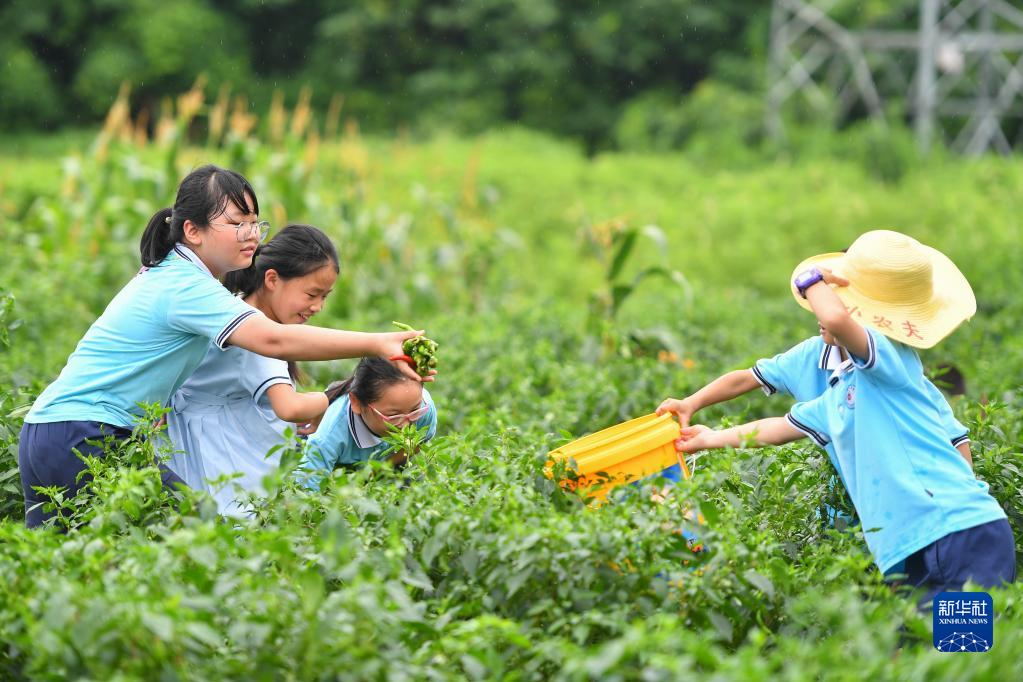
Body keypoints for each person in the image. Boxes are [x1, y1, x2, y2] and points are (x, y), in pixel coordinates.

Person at [18, 165, 426, 527]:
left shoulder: (176, 276)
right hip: (85, 435)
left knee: (68, 571)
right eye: (236, 224)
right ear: (192, 231)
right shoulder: (185, 285)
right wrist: (377, 342)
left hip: (49, 430)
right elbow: (273, 338)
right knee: (196, 542)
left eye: (255, 224)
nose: (250, 236)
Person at [676, 230, 1014, 604]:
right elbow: (776, 428)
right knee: (920, 656)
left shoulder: (890, 357)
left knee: (962, 648)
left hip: (958, 534)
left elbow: (836, 319)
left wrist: (813, 279)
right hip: (908, 546)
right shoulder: (841, 391)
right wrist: (706, 438)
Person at [167, 224, 340, 516]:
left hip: (199, 452)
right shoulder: (256, 332)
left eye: (325, 296)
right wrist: (337, 395)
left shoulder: (238, 310)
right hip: (213, 463)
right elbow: (289, 407)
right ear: (272, 279)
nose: (318, 306)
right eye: (312, 294)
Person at [300, 357, 437, 488]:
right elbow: (307, 490)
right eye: (393, 415)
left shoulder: (424, 409)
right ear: (356, 403)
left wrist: (375, 471)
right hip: (332, 465)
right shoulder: (329, 435)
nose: (407, 426)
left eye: (414, 410)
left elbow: (419, 443)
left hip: (382, 463)